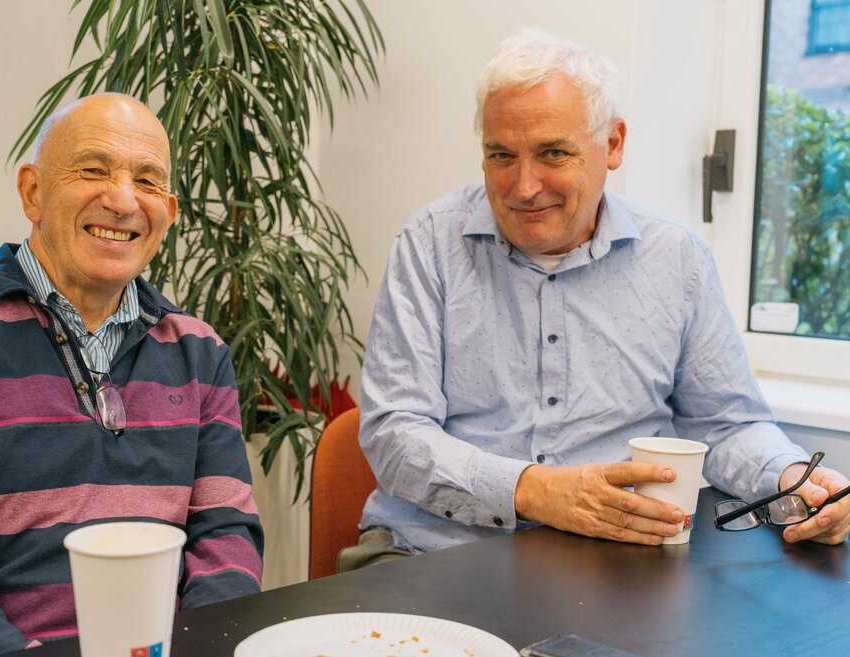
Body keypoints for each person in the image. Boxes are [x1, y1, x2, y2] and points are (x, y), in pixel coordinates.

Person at [346, 28, 850, 569]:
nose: (524, 186)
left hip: (616, 566)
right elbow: (395, 434)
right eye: (501, 155)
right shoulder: (428, 245)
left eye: (553, 153)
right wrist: (534, 490)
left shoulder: (676, 258)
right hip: (431, 553)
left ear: (612, 144)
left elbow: (727, 424)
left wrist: (794, 480)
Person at [0, 93, 264, 656]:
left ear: (168, 211)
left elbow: (226, 537)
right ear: (33, 192)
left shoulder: (200, 351)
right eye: (93, 170)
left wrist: (203, 648)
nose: (123, 201)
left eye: (147, 181)